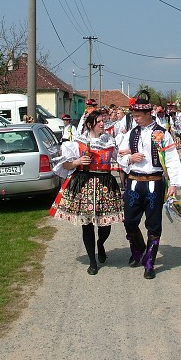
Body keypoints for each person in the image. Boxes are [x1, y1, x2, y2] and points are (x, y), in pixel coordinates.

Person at [49, 110, 124, 275]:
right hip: (85, 185)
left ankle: (101, 243)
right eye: (99, 121)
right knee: (87, 224)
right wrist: (77, 161)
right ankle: (92, 261)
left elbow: (121, 158)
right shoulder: (77, 143)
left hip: (105, 184)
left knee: (106, 224)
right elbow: (65, 165)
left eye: (103, 121)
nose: (103, 124)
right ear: (90, 124)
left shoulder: (109, 142)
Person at [118, 91, 181, 279]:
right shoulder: (131, 134)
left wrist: (174, 184)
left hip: (154, 183)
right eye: (133, 116)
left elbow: (171, 159)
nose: (135, 119)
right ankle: (138, 249)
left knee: (153, 225)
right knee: (129, 221)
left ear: (148, 114)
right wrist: (130, 158)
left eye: (138, 116)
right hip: (134, 182)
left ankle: (149, 262)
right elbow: (119, 158)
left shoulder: (162, 134)